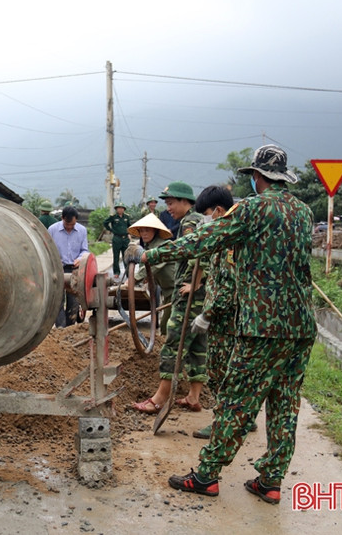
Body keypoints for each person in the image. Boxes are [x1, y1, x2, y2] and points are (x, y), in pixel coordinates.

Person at [130, 145, 316, 504]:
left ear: (257, 177)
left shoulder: (251, 208)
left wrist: (148, 255)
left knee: (235, 400)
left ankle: (207, 476)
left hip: (263, 325)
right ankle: (271, 481)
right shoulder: (304, 212)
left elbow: (200, 241)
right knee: (284, 403)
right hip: (301, 327)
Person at [131, 181, 207, 415]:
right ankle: (194, 397)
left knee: (174, 343)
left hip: (190, 297)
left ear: (186, 202)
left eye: (172, 203)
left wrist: (195, 283)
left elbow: (196, 249)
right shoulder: (194, 220)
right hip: (200, 296)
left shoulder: (190, 222)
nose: (169, 208)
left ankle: (159, 399)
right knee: (197, 345)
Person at [188, 185, 237, 440]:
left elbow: (228, 288)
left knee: (220, 374)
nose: (205, 220)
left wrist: (207, 314)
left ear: (218, 211)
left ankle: (223, 424)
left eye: (206, 214)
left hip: (227, 323)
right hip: (225, 320)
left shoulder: (228, 242)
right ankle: (240, 420)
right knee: (229, 374)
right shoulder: (223, 238)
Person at [128, 213, 176, 336]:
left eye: (147, 231)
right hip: (167, 292)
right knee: (166, 323)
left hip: (176, 290)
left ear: (155, 231)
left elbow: (154, 266)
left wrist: (134, 278)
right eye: (141, 231)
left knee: (167, 325)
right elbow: (145, 266)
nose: (144, 233)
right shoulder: (149, 247)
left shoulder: (163, 246)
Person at [48, 206, 89, 327]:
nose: (70, 227)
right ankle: (61, 328)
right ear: (62, 218)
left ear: (76, 220)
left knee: (74, 301)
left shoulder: (82, 230)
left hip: (75, 269)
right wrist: (55, 261)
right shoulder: (52, 230)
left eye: (72, 224)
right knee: (58, 301)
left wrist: (80, 259)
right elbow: (48, 250)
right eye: (67, 224)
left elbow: (85, 250)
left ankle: (70, 328)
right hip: (58, 269)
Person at [103, 202, 132, 280]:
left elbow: (129, 226)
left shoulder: (127, 217)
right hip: (117, 238)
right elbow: (105, 222)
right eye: (119, 208)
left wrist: (129, 233)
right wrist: (110, 229)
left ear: (124, 209)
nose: (120, 209)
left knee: (126, 256)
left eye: (122, 208)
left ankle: (128, 272)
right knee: (116, 256)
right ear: (116, 209)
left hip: (125, 239)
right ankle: (116, 272)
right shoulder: (113, 217)